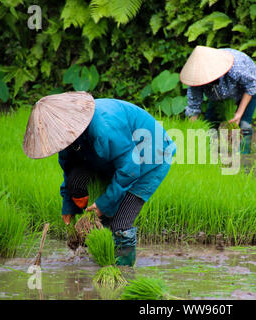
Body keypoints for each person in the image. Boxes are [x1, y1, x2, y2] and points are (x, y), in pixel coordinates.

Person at [23, 92, 176, 267]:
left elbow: (130, 169)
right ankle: (101, 257)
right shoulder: (69, 139)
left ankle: (123, 270)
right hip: (118, 157)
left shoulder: (105, 128)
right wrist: (69, 205)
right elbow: (69, 169)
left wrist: (104, 204)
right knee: (95, 212)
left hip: (151, 155)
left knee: (119, 223)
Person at [180, 45, 256, 154]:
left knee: (243, 126)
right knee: (209, 123)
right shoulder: (197, 79)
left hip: (246, 90)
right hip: (218, 95)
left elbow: (251, 86)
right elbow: (193, 108)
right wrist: (191, 133)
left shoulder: (236, 68)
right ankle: (205, 153)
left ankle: (243, 158)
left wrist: (239, 114)